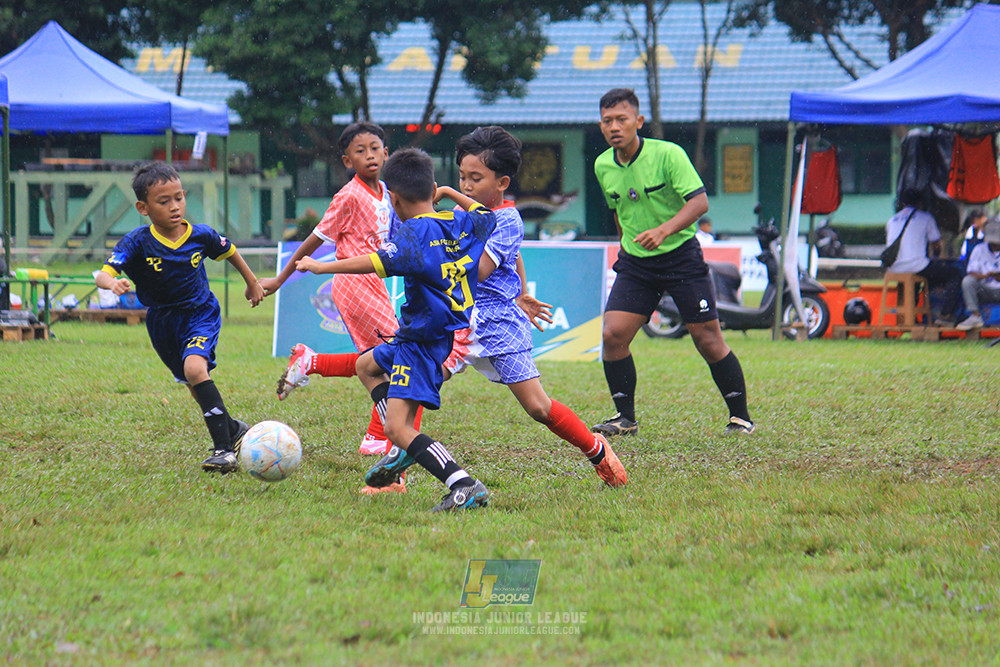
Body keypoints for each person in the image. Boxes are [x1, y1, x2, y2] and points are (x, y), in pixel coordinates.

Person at [295, 147, 496, 512]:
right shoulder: (457, 222)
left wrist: (324, 267)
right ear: (432, 186)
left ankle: (463, 483)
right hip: (434, 335)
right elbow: (486, 216)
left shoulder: (413, 234)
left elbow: (374, 262)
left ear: (394, 198)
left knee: (398, 429)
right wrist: (449, 192)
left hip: (420, 340)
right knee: (365, 365)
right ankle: (404, 450)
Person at [437, 126, 627, 487]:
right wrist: (523, 290)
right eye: (461, 177)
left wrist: (444, 199)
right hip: (460, 318)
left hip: (496, 323)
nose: (466, 186)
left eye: (476, 178)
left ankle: (597, 449)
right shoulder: (467, 212)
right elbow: (514, 255)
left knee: (538, 408)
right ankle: (392, 465)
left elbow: (478, 270)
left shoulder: (507, 218)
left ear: (503, 181)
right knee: (420, 383)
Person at [592, 88, 754, 437]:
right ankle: (625, 418)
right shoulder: (603, 165)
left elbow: (699, 203)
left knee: (707, 339)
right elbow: (620, 211)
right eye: (607, 121)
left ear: (639, 121)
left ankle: (741, 417)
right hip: (637, 263)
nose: (614, 127)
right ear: (600, 125)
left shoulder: (668, 154)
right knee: (613, 334)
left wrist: (663, 231)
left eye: (621, 119)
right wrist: (628, 244)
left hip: (681, 256)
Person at [95, 162, 264, 473]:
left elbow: (231, 252)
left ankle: (224, 451)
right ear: (142, 207)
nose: (175, 207)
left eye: (179, 197)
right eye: (164, 201)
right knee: (192, 382)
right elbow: (104, 274)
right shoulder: (136, 242)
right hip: (162, 323)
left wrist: (252, 282)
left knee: (195, 369)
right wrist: (113, 283)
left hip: (200, 313)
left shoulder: (200, 235)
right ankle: (233, 428)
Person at [261, 122, 411, 462]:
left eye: (375, 148)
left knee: (381, 359)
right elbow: (314, 241)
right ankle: (380, 437)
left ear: (386, 153)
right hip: (352, 282)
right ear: (347, 161)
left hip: (376, 282)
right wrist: (280, 279)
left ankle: (310, 361)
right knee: (395, 357)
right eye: (360, 151)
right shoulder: (347, 196)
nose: (370, 155)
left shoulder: (389, 193)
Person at [884, 191, 963, 324]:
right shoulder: (925, 217)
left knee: (917, 276)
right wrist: (936, 257)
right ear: (920, 203)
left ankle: (907, 319)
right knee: (954, 274)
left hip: (894, 268)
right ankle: (946, 315)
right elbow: (936, 245)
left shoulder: (892, 220)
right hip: (917, 266)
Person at [957, 219, 1000, 330]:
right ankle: (975, 316)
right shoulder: (979, 249)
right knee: (968, 281)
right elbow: (971, 272)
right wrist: (987, 276)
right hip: (985, 289)